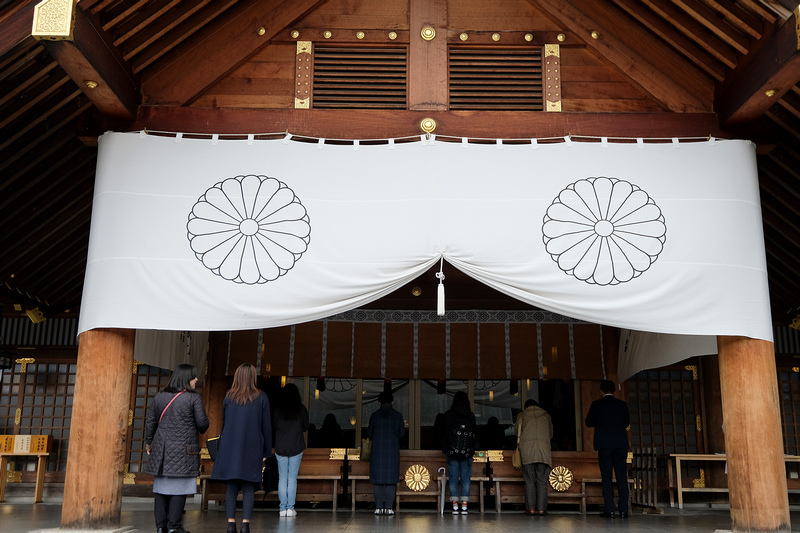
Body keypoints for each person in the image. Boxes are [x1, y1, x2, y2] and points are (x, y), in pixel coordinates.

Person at [144, 364, 209, 533]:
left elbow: (151, 422)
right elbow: (203, 424)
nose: (196, 380)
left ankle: (160, 526)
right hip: (184, 449)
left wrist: (149, 442)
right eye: (194, 377)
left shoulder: (160, 396)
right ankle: (174, 526)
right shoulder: (193, 398)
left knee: (160, 488)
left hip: (162, 449)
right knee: (180, 488)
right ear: (187, 378)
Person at [210, 364, 272, 533]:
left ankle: (230, 524)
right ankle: (245, 524)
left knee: (231, 487)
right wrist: (266, 452)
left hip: (230, 447)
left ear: (237, 377)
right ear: (253, 377)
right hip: (252, 448)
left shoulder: (229, 397)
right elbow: (266, 427)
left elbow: (225, 422)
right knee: (248, 487)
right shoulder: (261, 397)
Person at [585, 379, 631, 518]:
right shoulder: (622, 405)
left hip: (604, 445)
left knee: (606, 477)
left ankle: (609, 509)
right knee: (622, 477)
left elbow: (588, 422)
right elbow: (627, 422)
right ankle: (623, 510)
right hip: (620, 444)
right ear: (614, 390)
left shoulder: (596, 405)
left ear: (601, 391)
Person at [273, 382, 309, 517]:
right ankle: (290, 508)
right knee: (292, 478)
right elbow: (306, 427)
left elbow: (275, 426)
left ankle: (282, 509)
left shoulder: (277, 409)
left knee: (282, 477)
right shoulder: (301, 409)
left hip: (280, 447)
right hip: (296, 446)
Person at [367, 390, 405, 515]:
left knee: (377, 480)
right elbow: (402, 434)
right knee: (390, 480)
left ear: (379, 402)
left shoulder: (374, 415)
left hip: (377, 451)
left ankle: (378, 508)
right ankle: (389, 508)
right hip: (392, 451)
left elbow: (369, 434)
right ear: (392, 402)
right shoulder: (398, 416)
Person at [442, 391, 477, 515]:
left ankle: (455, 505)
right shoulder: (471, 416)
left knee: (453, 478)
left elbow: (443, 431)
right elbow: (474, 433)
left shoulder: (449, 415)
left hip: (452, 452)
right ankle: (465, 506)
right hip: (467, 452)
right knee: (465, 478)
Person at [516, 399, 553, 515]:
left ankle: (531, 508)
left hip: (527, 452)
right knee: (542, 481)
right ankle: (542, 509)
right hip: (544, 451)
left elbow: (517, 432)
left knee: (529, 481)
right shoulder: (546, 415)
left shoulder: (522, 415)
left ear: (526, 407)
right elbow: (551, 434)